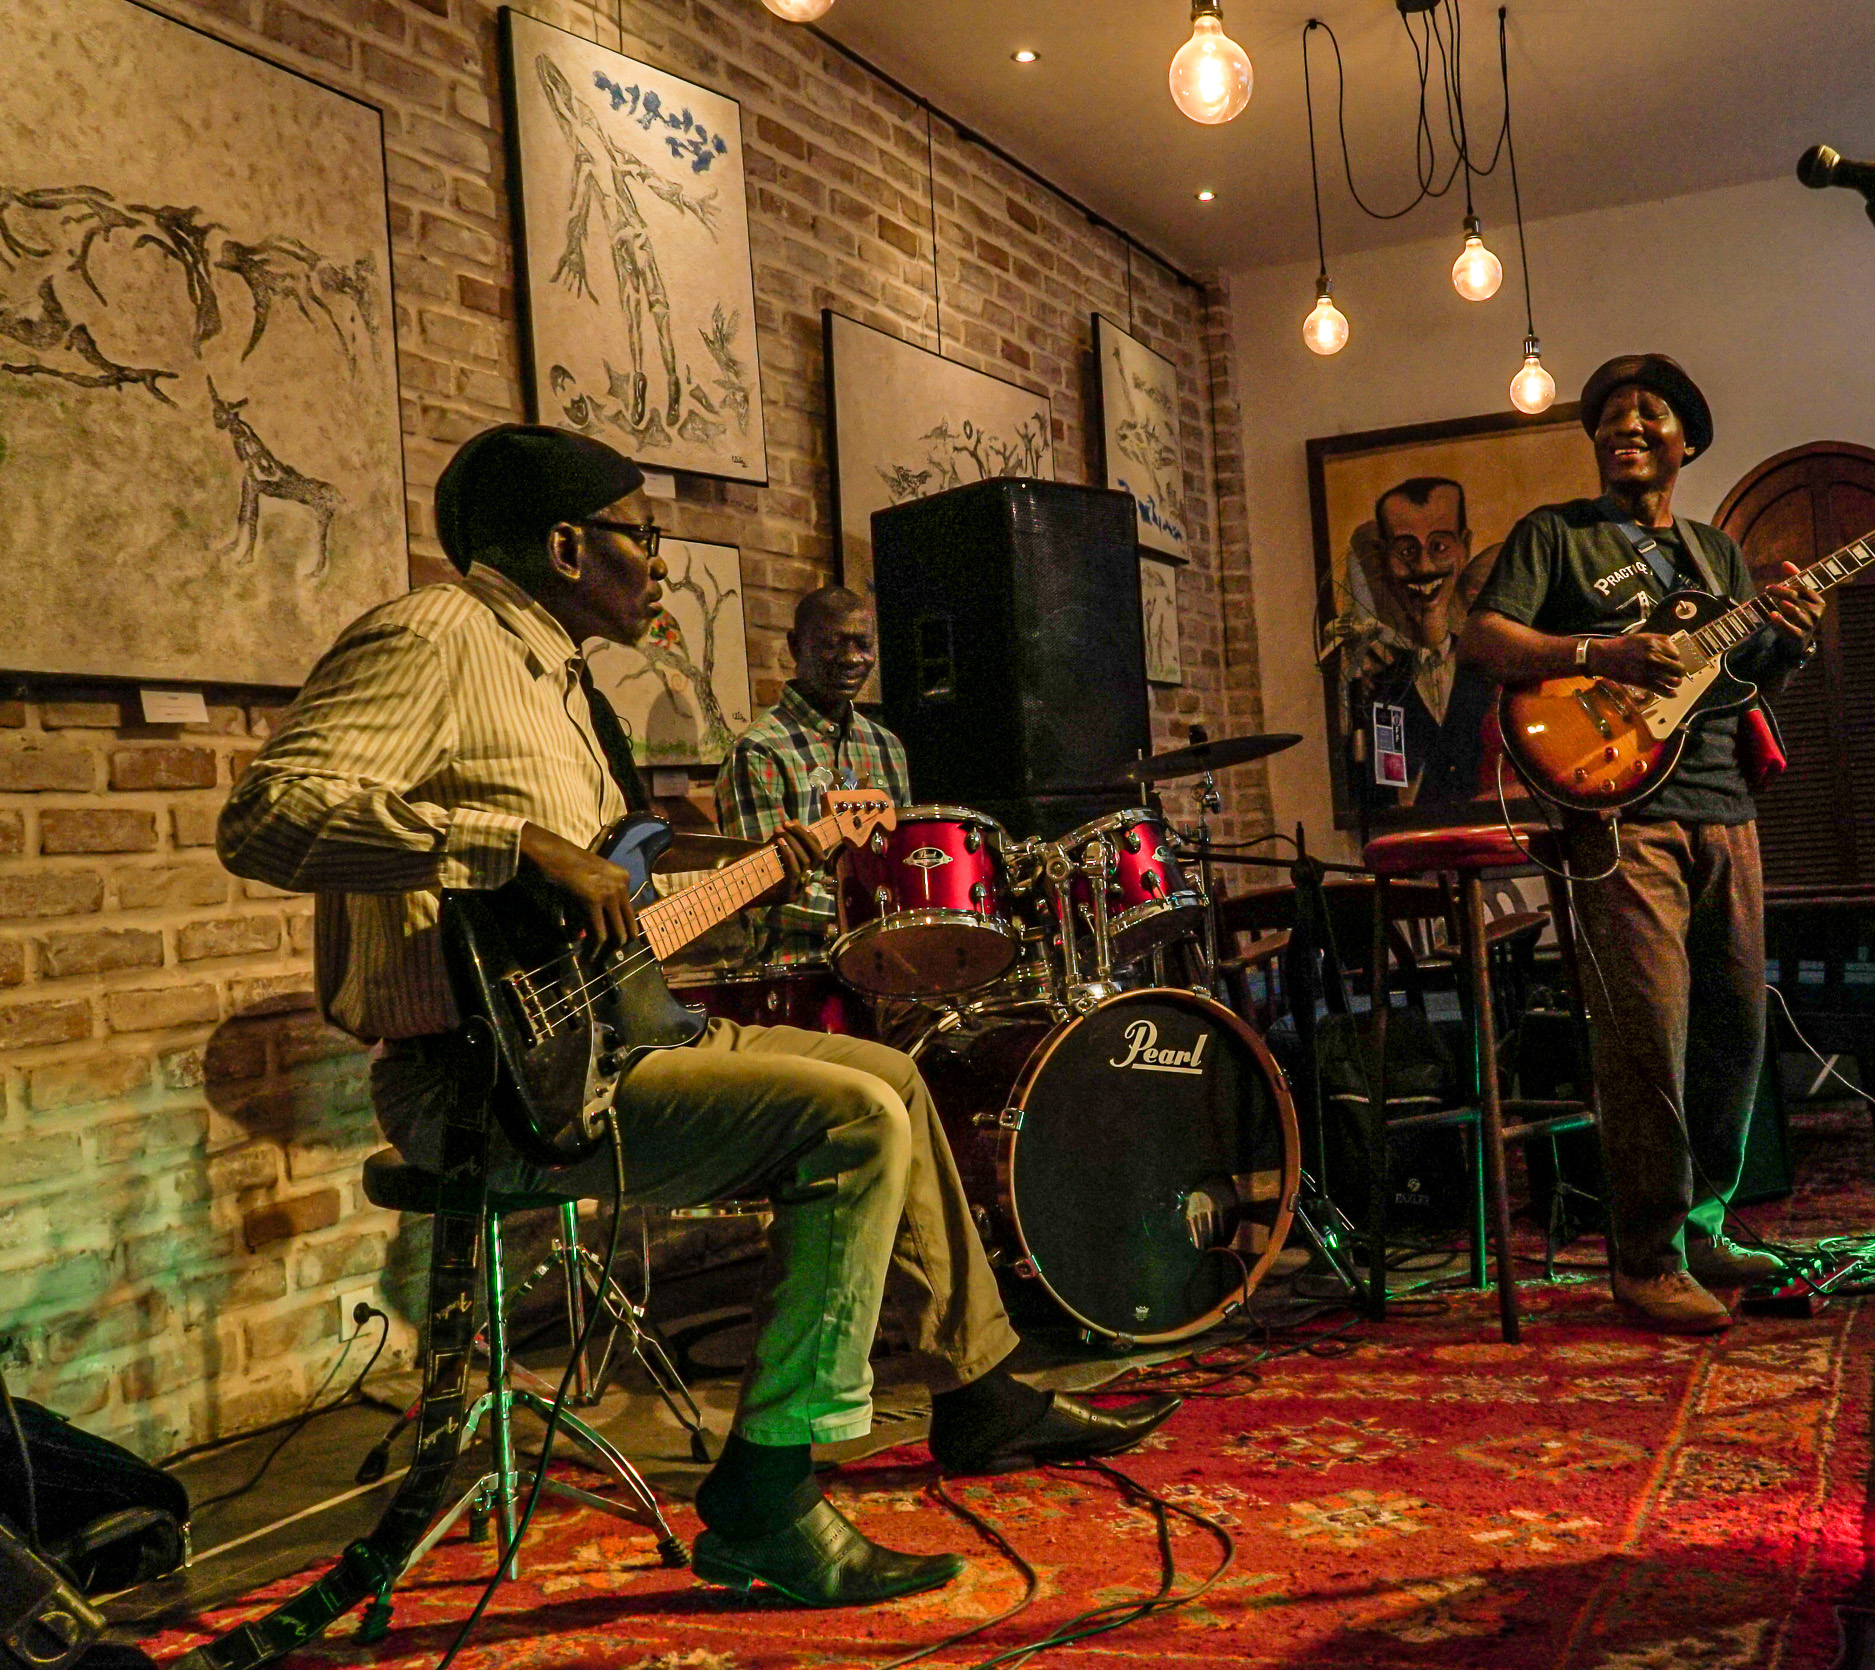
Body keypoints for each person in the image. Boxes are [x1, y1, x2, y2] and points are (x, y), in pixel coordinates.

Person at [218, 424, 1175, 1608]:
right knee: (850, 1122)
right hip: (485, 1085)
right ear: (567, 544)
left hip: (604, 1036)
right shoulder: (434, 636)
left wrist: (761, 869)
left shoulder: (562, 683)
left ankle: (981, 1394)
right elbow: (265, 816)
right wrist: (511, 843)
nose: (661, 561)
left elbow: (599, 915)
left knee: (893, 1075)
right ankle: (767, 1486)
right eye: (644, 533)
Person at [1458, 355, 1827, 1335]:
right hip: (1621, 820)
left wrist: (1790, 640)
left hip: (1725, 811)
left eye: (1649, 411)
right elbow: (1483, 640)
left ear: (1685, 442)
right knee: (1647, 1041)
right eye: (1610, 414)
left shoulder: (1715, 554)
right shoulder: (1556, 536)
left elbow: (1744, 687)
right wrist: (1598, 651)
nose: (1626, 424)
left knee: (1732, 1034)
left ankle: (1703, 1225)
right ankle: (1646, 1259)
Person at [716, 585, 907, 964]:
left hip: (889, 960)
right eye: (833, 644)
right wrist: (873, 911)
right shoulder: (758, 751)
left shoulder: (886, 746)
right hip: (801, 971)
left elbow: (898, 857)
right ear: (794, 646)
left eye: (864, 644)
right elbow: (757, 894)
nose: (851, 658)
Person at [1353, 478, 1499, 812]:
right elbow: (1389, 785)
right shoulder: (1384, 687)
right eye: (1406, 551)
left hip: (1498, 830)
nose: (1424, 567)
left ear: (1464, 547)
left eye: (1439, 547)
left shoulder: (1494, 663)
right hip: (1424, 836)